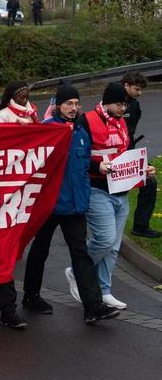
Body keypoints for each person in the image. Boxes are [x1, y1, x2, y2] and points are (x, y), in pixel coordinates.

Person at [22, 84, 121, 324]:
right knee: (39, 251)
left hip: (75, 205)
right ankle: (31, 296)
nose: (73, 108)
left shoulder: (79, 131)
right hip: (50, 205)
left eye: (76, 104)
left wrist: (99, 167)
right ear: (58, 105)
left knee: (80, 253)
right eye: (69, 104)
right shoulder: (47, 130)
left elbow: (84, 161)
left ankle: (93, 306)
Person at [74, 82, 153, 310]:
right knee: (105, 240)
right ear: (107, 102)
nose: (122, 108)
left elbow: (125, 152)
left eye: (125, 104)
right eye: (119, 104)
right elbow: (76, 155)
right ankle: (78, 271)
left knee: (114, 246)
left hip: (121, 191)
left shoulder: (122, 123)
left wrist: (142, 167)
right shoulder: (86, 121)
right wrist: (96, 166)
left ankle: (104, 290)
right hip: (98, 189)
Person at [122, 72, 159, 238]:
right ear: (126, 85)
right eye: (137, 89)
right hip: (113, 156)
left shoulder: (135, 105)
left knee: (149, 181)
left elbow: (131, 131)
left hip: (129, 150)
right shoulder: (110, 103)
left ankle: (140, 226)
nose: (140, 93)